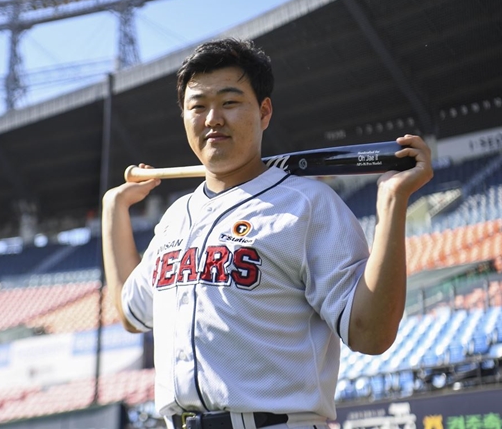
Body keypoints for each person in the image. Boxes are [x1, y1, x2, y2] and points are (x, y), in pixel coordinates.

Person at [101, 38, 433, 427]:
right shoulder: (175, 218)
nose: (212, 119)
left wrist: (392, 205)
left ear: (264, 112)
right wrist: (114, 209)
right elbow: (130, 312)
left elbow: (371, 335)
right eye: (198, 106)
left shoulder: (308, 205)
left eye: (229, 102)